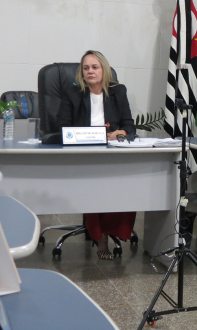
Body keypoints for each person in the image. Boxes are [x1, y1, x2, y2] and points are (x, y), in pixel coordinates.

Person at [58, 50, 136, 260]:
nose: (90, 71)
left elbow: (130, 126)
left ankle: (114, 230)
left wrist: (120, 133)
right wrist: (88, 134)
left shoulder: (118, 91)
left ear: (104, 70)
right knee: (95, 181)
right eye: (86, 68)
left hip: (111, 153)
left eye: (94, 67)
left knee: (126, 182)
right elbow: (63, 127)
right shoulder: (73, 93)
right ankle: (100, 238)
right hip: (82, 154)